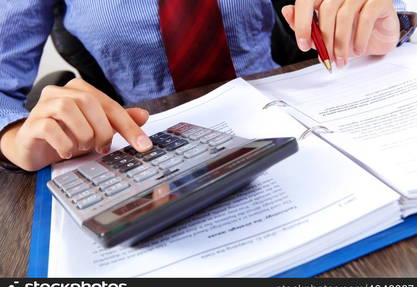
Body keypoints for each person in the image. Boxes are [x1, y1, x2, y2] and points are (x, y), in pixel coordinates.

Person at [0, 0, 408, 171]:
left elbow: (387, 10)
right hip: (147, 145)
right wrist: (15, 137)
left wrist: (392, 20)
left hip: (291, 120)